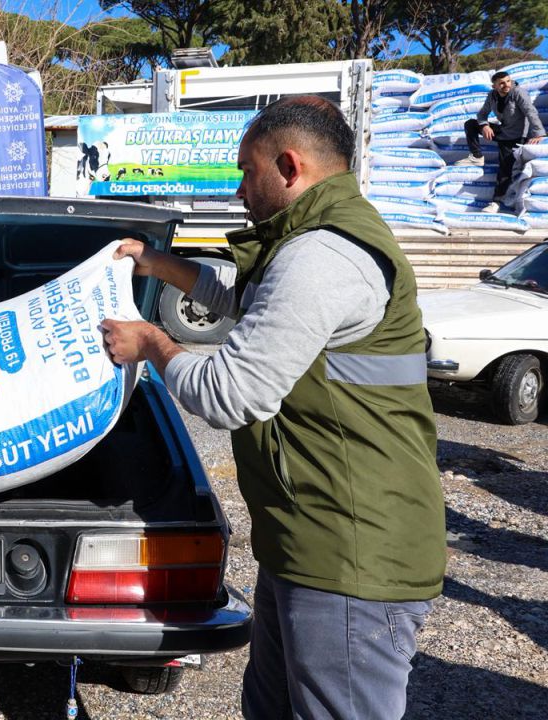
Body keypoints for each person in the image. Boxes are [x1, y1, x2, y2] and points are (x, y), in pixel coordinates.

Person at [100, 96, 446, 719]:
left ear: (289, 167)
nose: (239, 189)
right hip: (310, 540)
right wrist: (158, 263)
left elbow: (232, 394)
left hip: (351, 554)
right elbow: (253, 298)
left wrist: (152, 343)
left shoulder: (322, 257)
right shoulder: (311, 243)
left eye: (246, 171)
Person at [456, 70, 544, 212]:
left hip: (517, 137)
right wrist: (484, 125)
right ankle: (477, 156)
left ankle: (496, 203)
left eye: (508, 81)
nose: (506, 85)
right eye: (501, 83)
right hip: (503, 131)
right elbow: (482, 114)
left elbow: (530, 112)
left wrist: (538, 133)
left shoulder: (518, 93)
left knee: (505, 170)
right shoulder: (492, 96)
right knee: (471, 124)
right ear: (494, 86)